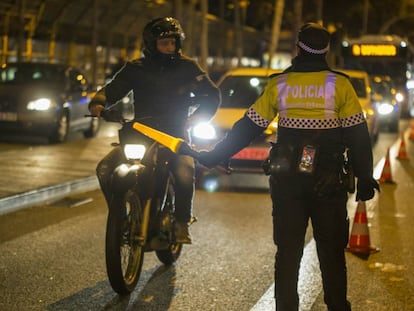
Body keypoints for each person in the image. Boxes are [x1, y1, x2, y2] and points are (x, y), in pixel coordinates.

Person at [196, 22, 379, 310]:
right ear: (326, 51)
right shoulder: (339, 85)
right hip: (328, 180)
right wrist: (365, 177)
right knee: (331, 253)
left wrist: (216, 155)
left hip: (288, 179)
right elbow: (358, 135)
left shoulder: (280, 84)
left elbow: (248, 128)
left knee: (288, 253)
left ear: (298, 48)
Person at [88, 17, 221, 244]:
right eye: (163, 43)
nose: (169, 48)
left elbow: (212, 95)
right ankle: (120, 216)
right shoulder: (135, 68)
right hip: (140, 133)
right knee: (104, 169)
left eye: (172, 43)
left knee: (185, 171)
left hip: (175, 135)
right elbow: (112, 90)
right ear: (151, 44)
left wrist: (196, 117)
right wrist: (99, 103)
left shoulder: (188, 67)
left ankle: (181, 222)